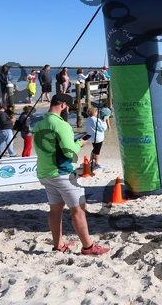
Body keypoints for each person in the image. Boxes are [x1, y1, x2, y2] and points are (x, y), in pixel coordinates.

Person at [33, 93, 109, 255]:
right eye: (67, 107)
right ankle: (88, 247)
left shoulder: (39, 124)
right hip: (62, 173)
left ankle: (58, 245)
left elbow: (41, 148)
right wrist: (80, 142)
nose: (67, 110)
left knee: (55, 210)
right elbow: (69, 152)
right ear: (62, 105)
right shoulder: (62, 125)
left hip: (45, 172)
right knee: (79, 209)